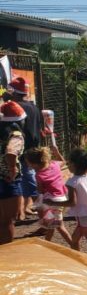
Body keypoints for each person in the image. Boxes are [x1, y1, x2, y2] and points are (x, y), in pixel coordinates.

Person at [7, 76, 42, 221]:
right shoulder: (34, 107)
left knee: (26, 180)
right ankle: (22, 211)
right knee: (24, 179)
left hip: (21, 150)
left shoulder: (17, 108)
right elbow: (40, 128)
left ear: (14, 93)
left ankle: (44, 213)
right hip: (33, 148)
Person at [24, 146, 73, 245]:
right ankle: (47, 244)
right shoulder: (55, 164)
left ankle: (74, 245)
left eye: (28, 162)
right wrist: (57, 152)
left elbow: (40, 190)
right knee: (51, 224)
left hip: (51, 201)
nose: (27, 164)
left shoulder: (39, 175)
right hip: (62, 198)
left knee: (59, 226)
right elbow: (63, 161)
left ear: (34, 163)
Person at [0, 101, 26, 244]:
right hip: (7, 180)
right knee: (8, 220)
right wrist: (12, 168)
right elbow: (11, 152)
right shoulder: (15, 134)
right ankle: (6, 255)